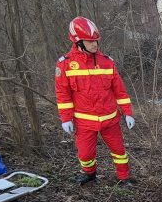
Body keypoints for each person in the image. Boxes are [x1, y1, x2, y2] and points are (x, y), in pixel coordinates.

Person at [55, 16, 136, 186]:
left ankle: (124, 177)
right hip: (84, 121)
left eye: (96, 41)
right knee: (85, 155)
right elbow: (63, 95)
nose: (95, 45)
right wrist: (65, 118)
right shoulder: (66, 65)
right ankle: (89, 174)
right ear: (78, 42)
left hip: (110, 119)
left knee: (119, 151)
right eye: (90, 42)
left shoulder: (107, 62)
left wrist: (127, 113)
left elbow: (120, 91)